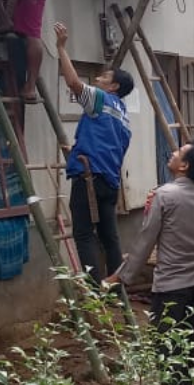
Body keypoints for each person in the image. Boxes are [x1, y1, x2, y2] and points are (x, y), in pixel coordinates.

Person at [107, 141, 194, 361]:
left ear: (184, 166)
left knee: (166, 355)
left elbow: (145, 241)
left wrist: (121, 276)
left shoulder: (164, 195)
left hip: (171, 288)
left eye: (179, 152)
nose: (173, 153)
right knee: (191, 352)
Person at [55, 22, 135, 284]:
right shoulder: (123, 115)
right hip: (110, 182)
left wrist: (61, 47)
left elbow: (73, 82)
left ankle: (94, 293)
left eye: (104, 77)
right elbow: (111, 143)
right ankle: (115, 286)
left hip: (89, 178)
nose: (99, 78)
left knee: (84, 234)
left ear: (112, 87)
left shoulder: (99, 99)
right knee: (109, 236)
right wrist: (77, 148)